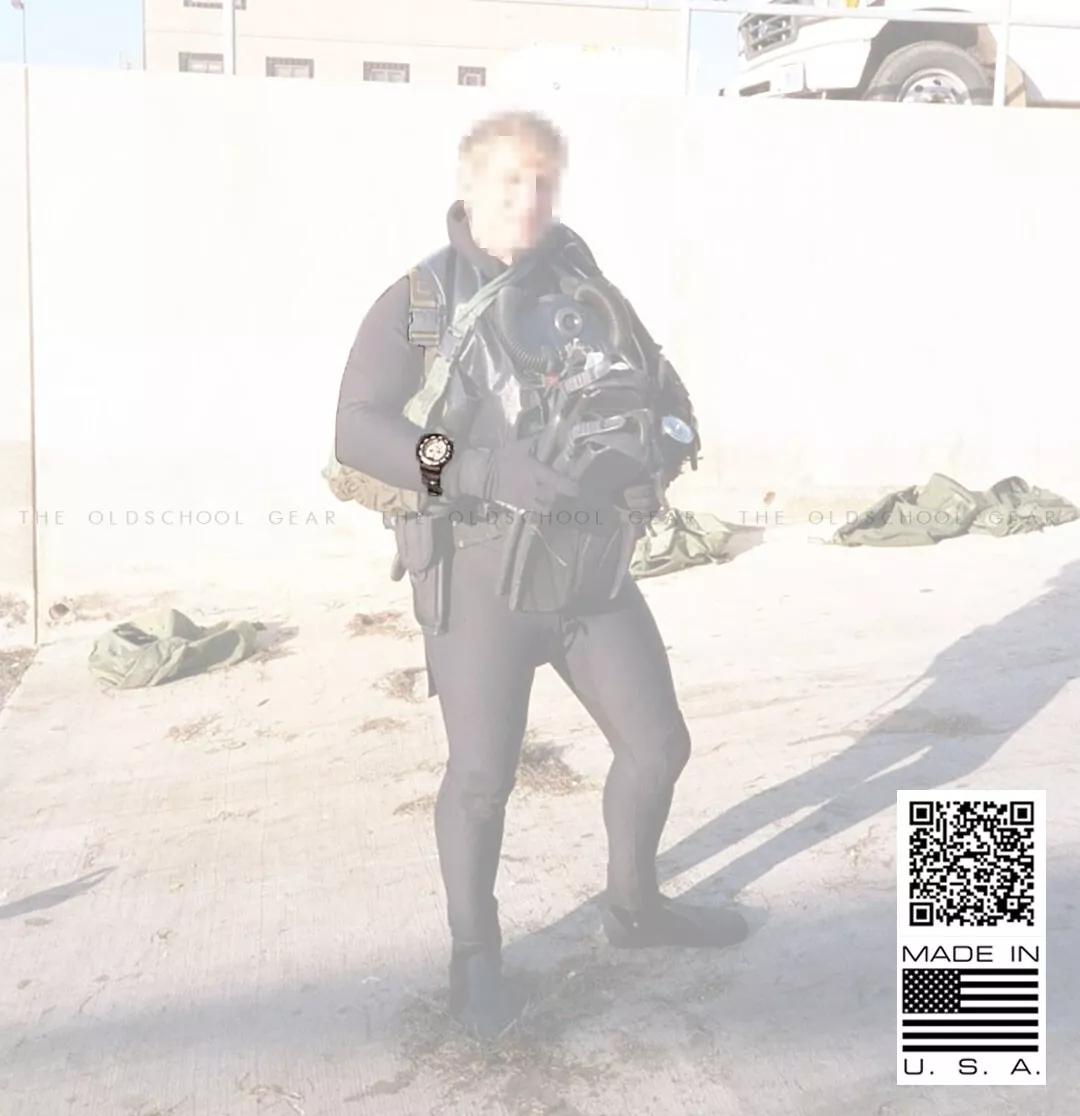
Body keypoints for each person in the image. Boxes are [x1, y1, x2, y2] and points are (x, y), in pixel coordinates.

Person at [334, 109, 749, 1038]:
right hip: (478, 573)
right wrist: (478, 470)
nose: (527, 199)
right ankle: (474, 959)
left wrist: (655, 458)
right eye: (509, 182)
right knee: (484, 777)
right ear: (470, 187)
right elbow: (358, 428)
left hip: (587, 564)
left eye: (542, 182)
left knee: (658, 745)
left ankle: (635, 909)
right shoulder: (422, 298)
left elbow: (663, 390)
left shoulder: (584, 285)